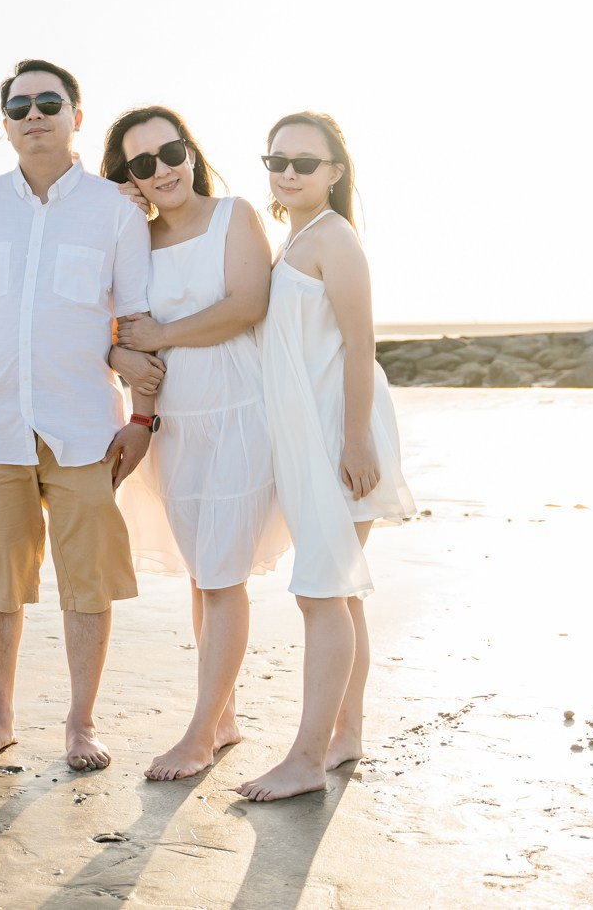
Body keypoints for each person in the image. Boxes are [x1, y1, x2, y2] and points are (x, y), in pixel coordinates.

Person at [0, 59, 154, 772]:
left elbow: (138, 321)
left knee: (87, 580)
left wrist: (143, 416)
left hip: (87, 427)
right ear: (4, 123)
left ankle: (81, 723)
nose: (34, 113)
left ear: (76, 116)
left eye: (49, 101)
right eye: (20, 104)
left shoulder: (117, 210)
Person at [236, 111, 418, 803]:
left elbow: (360, 343)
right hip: (314, 431)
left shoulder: (335, 239)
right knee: (338, 592)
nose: (287, 172)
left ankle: (308, 757)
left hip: (342, 431)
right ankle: (346, 735)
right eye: (276, 159)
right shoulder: (297, 237)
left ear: (334, 172)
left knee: (321, 591)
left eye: (304, 162)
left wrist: (355, 440)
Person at [104, 106, 290, 782]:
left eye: (171, 152)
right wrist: (116, 211)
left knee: (220, 575)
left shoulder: (236, 214)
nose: (163, 170)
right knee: (201, 573)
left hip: (242, 412)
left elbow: (248, 304)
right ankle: (227, 713)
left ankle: (200, 733)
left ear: (191, 151)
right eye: (142, 164)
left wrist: (161, 336)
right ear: (129, 177)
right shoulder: (132, 239)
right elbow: (113, 325)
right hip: (177, 424)